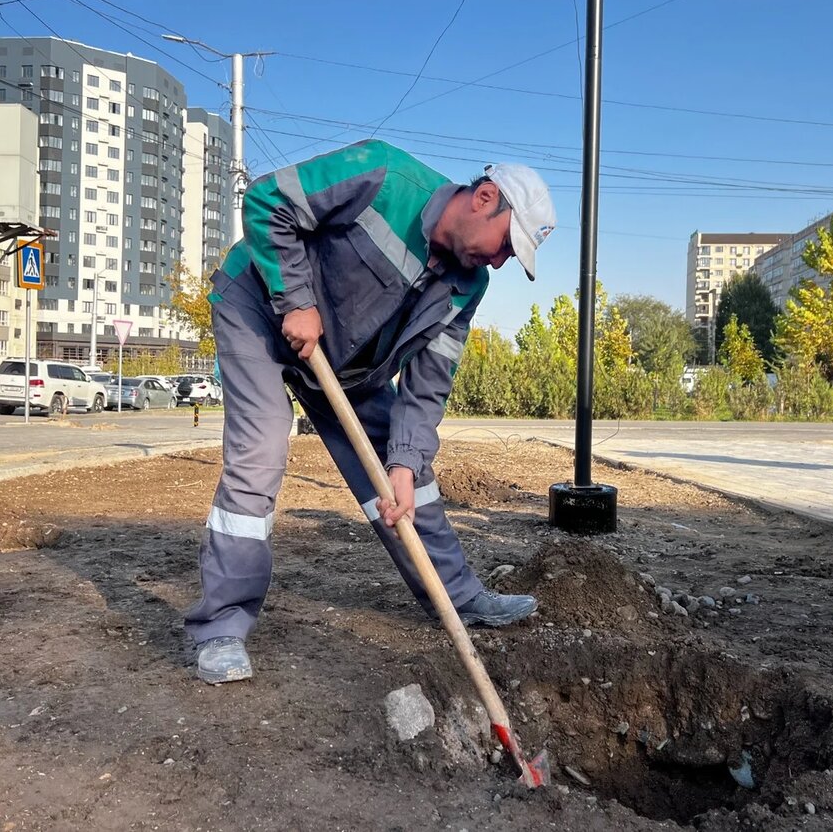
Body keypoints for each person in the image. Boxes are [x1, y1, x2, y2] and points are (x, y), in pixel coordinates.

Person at [185, 139, 556, 683]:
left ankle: (455, 596)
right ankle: (221, 626)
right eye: (505, 244)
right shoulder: (384, 176)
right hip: (257, 313)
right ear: (484, 198)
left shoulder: (467, 285)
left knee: (408, 478)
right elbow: (268, 201)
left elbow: (428, 386)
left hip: (347, 366)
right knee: (259, 452)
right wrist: (296, 301)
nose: (500, 262)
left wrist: (402, 463)